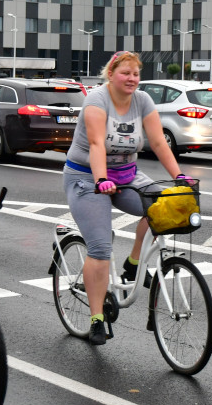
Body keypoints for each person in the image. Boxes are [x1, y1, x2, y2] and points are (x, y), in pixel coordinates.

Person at [63, 51, 194, 346]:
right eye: (125, 73)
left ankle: (134, 263)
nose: (132, 79)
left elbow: (159, 141)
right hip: (87, 177)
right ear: (111, 74)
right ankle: (96, 318)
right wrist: (100, 179)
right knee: (99, 247)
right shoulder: (97, 100)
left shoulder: (143, 101)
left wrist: (178, 177)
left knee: (165, 205)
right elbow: (97, 143)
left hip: (126, 175)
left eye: (136, 73)